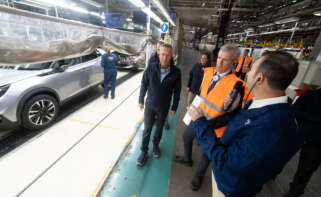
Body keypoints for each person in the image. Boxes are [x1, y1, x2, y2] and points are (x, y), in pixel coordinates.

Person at [188, 51, 301, 197]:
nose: (247, 73)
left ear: (259, 78)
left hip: (230, 188)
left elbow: (227, 162)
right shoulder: (264, 104)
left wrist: (199, 122)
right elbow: (246, 130)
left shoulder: (271, 128)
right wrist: (235, 110)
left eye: (251, 69)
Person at [174, 44, 252, 191]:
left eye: (225, 60)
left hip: (216, 129)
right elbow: (203, 96)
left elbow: (236, 115)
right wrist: (193, 108)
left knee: (207, 154)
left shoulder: (238, 86)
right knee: (186, 137)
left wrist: (211, 123)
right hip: (198, 119)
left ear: (234, 62)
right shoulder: (208, 73)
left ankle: (199, 176)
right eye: (218, 58)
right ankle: (187, 158)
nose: (219, 63)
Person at [137, 43, 181, 166]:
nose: (165, 58)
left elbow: (177, 92)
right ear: (158, 53)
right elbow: (144, 84)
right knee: (147, 130)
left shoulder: (176, 73)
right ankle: (144, 151)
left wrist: (174, 107)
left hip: (163, 107)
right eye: (162, 54)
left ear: (172, 56)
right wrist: (141, 100)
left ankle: (155, 145)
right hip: (150, 105)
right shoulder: (151, 68)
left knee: (159, 129)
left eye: (168, 55)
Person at [285, 88, 321, 197]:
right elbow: (295, 110)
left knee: (305, 171)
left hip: (317, 144)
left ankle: (294, 193)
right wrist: (313, 119)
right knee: (282, 156)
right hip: (300, 134)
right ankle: (271, 173)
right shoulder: (311, 95)